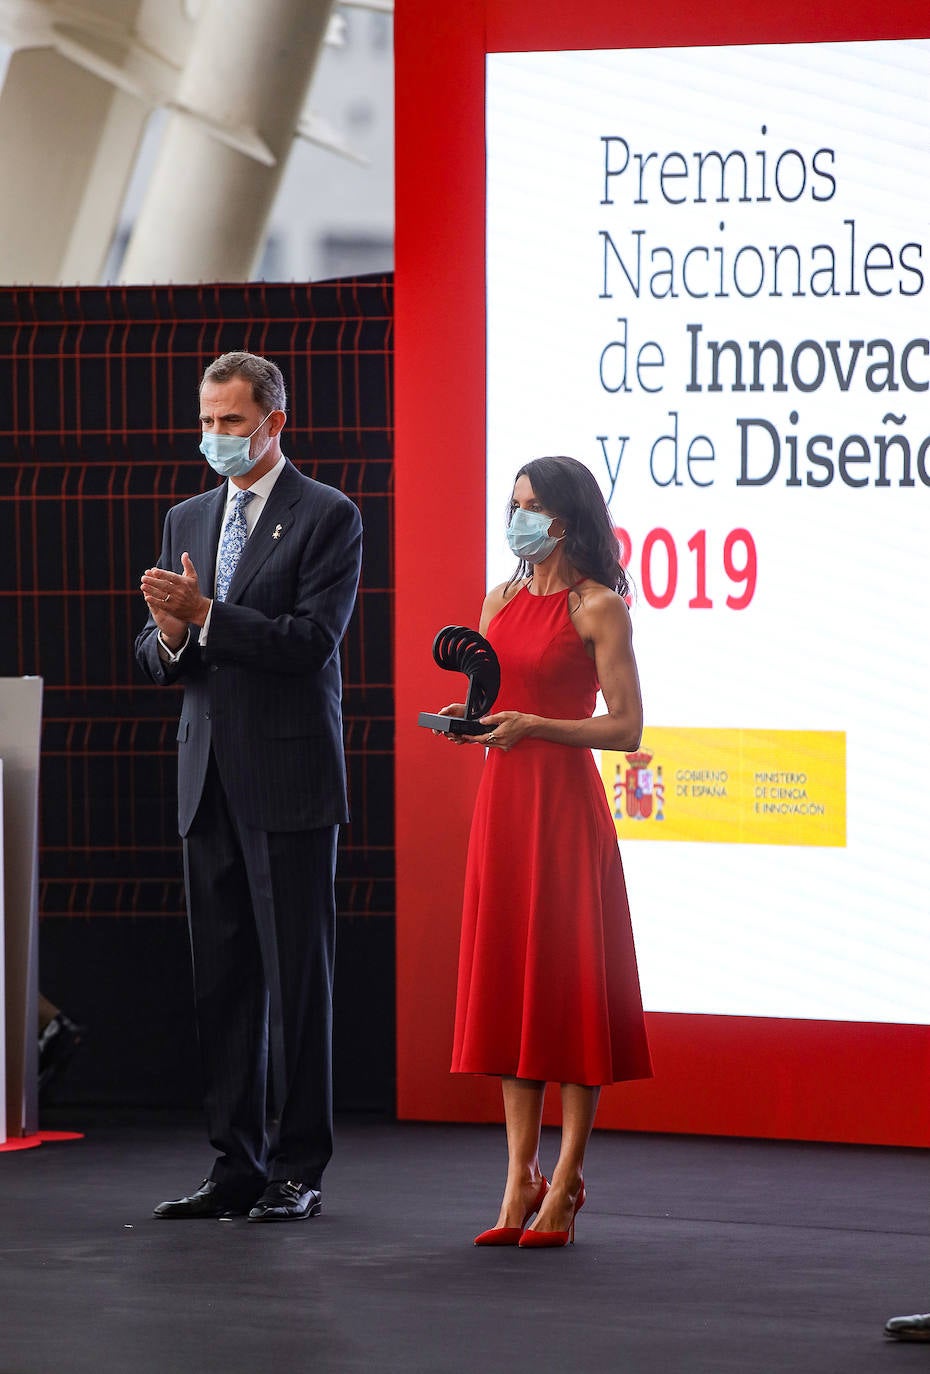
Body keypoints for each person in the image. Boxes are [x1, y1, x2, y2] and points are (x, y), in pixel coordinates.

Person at [135, 351, 361, 1222]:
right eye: (207, 421)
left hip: (290, 777)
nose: (215, 437)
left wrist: (206, 620)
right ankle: (234, 1165)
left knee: (297, 983)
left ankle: (298, 1169)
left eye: (232, 421)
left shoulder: (326, 515)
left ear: (275, 423)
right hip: (207, 780)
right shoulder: (186, 515)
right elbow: (160, 658)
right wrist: (172, 635)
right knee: (222, 981)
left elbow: (311, 642)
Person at [436, 455, 652, 1247]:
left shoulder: (600, 608)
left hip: (564, 813)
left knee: (569, 992)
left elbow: (627, 729)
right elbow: (495, 700)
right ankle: (515, 1183)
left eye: (528, 505)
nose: (514, 516)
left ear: (563, 519)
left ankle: (564, 1185)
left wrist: (539, 728)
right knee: (511, 988)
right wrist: (469, 722)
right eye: (510, 503)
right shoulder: (496, 599)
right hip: (504, 807)